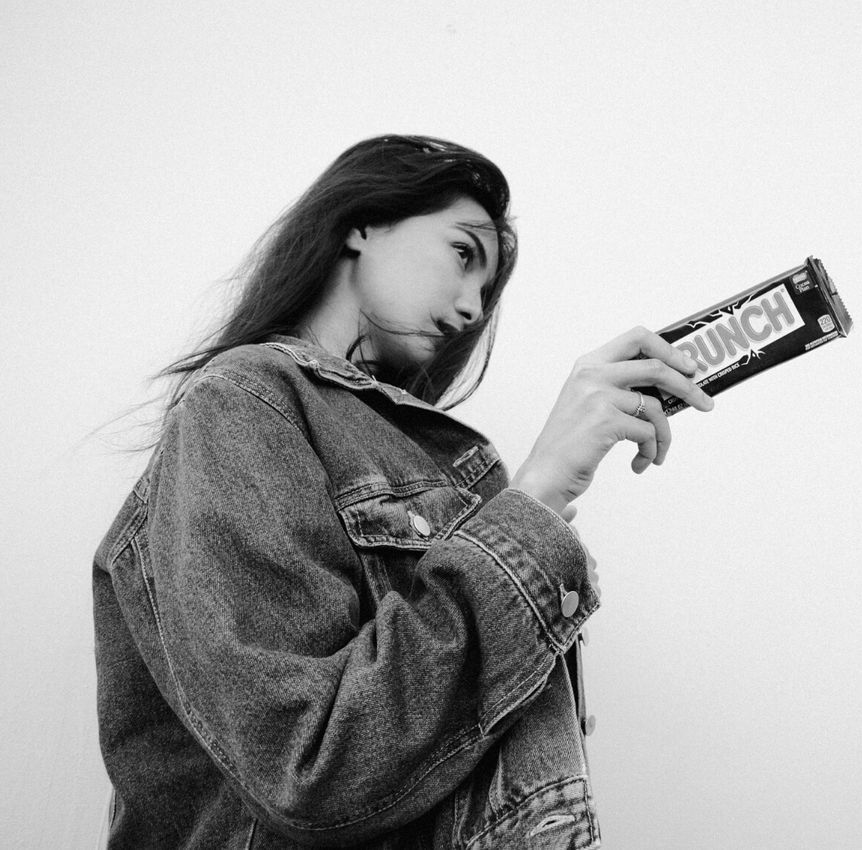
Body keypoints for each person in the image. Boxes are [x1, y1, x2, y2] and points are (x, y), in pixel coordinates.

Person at [92, 134, 714, 849]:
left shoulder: (427, 458)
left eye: (487, 289)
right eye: (462, 254)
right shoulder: (245, 400)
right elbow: (310, 766)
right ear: (365, 221)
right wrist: (535, 501)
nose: (472, 307)